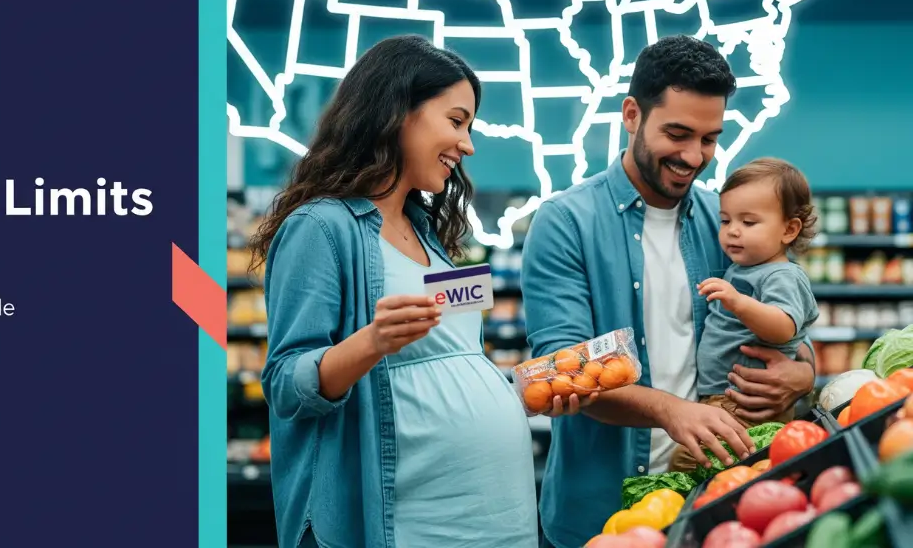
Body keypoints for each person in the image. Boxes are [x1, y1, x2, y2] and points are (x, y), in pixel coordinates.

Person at [253, 35, 585, 548]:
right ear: (396, 112)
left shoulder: (428, 234)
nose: (468, 144)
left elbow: (449, 363)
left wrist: (523, 392)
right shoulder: (321, 227)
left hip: (494, 520)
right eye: (456, 122)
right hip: (406, 523)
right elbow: (284, 383)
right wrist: (371, 342)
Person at [520, 35, 817, 548]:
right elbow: (563, 364)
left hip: (713, 497)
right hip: (600, 509)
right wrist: (671, 410)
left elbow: (780, 306)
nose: (693, 155)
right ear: (632, 115)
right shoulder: (565, 222)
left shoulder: (722, 223)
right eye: (677, 133)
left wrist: (804, 368)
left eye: (709, 138)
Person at [669, 158, 821, 472]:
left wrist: (739, 303)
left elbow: (784, 327)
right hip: (725, 398)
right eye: (726, 221)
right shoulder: (745, 268)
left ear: (789, 229)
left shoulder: (782, 276)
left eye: (748, 223)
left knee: (687, 464)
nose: (733, 232)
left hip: (743, 402)